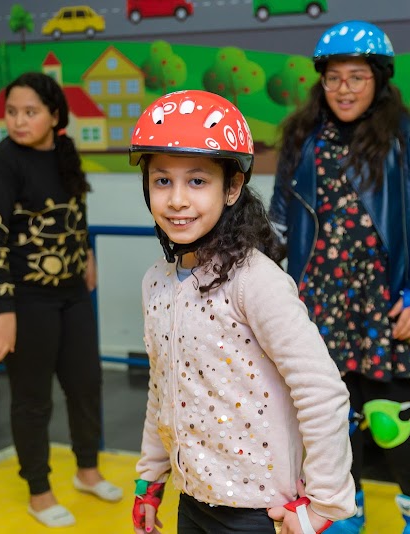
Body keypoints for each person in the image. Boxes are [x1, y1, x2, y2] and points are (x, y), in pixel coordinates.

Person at [128, 90, 357, 534]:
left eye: (197, 181)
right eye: (162, 181)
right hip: (193, 497)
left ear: (232, 188)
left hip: (258, 511)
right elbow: (162, 389)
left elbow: (322, 392)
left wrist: (325, 503)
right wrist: (150, 478)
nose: (177, 200)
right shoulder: (156, 281)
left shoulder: (256, 281)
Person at [268, 21, 410, 534]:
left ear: (379, 78)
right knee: (333, 419)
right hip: (317, 298)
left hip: (384, 297)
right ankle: (343, 512)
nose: (343, 88)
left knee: (392, 419)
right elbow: (279, 222)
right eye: (333, 77)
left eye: (356, 77)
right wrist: (265, 290)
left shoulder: (409, 135)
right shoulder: (303, 137)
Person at [0, 72, 122, 528]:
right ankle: (39, 491)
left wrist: (86, 253)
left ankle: (87, 471)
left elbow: (74, 210)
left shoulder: (63, 152)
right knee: (32, 398)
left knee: (86, 383)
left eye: (30, 112)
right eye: (12, 112)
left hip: (72, 293)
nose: (19, 121)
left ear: (55, 116)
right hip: (27, 298)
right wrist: (3, 313)